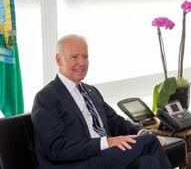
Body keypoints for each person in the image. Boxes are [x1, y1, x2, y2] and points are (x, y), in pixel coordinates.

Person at [31, 34, 171, 169]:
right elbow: (56, 149)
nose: (82, 63)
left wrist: (140, 132)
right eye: (74, 57)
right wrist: (105, 142)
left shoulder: (91, 91)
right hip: (77, 163)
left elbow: (115, 121)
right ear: (59, 60)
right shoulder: (46, 98)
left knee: (149, 162)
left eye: (85, 57)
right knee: (150, 141)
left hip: (103, 157)